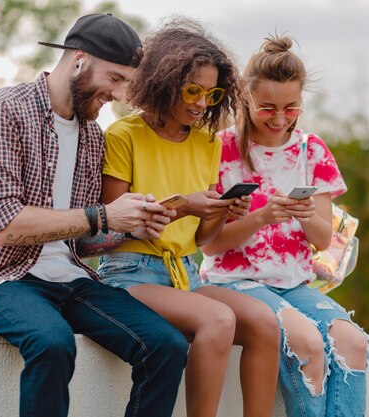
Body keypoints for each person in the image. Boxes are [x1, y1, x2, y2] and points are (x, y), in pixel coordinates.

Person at [0, 14, 188, 417]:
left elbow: (82, 240)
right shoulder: (1, 111)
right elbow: (5, 227)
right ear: (79, 59)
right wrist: (103, 215)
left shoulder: (92, 135)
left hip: (70, 279)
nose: (118, 94)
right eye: (114, 79)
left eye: (125, 83)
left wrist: (131, 224)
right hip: (3, 279)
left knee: (167, 345)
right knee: (54, 342)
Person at [97, 20, 281, 417]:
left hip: (185, 274)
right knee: (217, 319)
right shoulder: (123, 135)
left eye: (210, 94)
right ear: (165, 80)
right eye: (192, 90)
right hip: (129, 273)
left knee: (265, 323)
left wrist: (220, 212)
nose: (201, 103)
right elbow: (113, 225)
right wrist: (183, 206)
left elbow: (200, 239)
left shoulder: (207, 142)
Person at [200, 34, 369, 417]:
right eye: (267, 109)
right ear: (246, 98)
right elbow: (210, 247)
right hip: (234, 282)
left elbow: (324, 238)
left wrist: (306, 213)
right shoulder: (220, 149)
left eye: (291, 108)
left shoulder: (313, 151)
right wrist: (260, 217)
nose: (279, 120)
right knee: (307, 342)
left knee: (352, 342)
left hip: (294, 283)